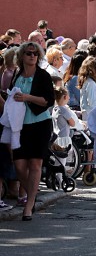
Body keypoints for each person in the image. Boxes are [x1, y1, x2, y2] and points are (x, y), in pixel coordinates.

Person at [10, 42, 55, 220]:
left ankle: (28, 206)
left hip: (39, 123)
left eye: (35, 54)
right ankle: (33, 195)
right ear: (22, 56)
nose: (32, 56)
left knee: (35, 164)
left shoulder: (43, 75)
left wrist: (27, 97)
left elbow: (48, 100)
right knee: (19, 165)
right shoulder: (17, 74)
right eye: (28, 53)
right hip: (20, 125)